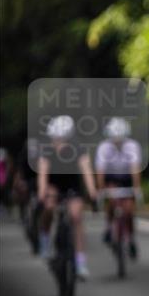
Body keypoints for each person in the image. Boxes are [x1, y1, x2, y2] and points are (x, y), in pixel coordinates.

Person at [36, 116, 98, 278]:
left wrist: (92, 191)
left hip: (72, 187)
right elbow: (43, 175)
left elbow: (86, 171)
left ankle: (80, 261)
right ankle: (45, 240)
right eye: (56, 139)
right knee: (49, 207)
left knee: (76, 217)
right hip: (54, 185)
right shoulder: (47, 151)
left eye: (63, 139)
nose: (59, 143)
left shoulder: (79, 149)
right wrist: (42, 193)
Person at [95, 117, 143, 258]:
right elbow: (100, 172)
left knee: (128, 211)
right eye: (114, 139)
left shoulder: (132, 146)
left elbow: (135, 169)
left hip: (126, 177)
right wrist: (101, 190)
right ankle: (109, 228)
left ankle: (131, 239)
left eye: (120, 140)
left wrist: (136, 188)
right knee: (112, 201)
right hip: (111, 178)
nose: (117, 142)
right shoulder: (104, 147)